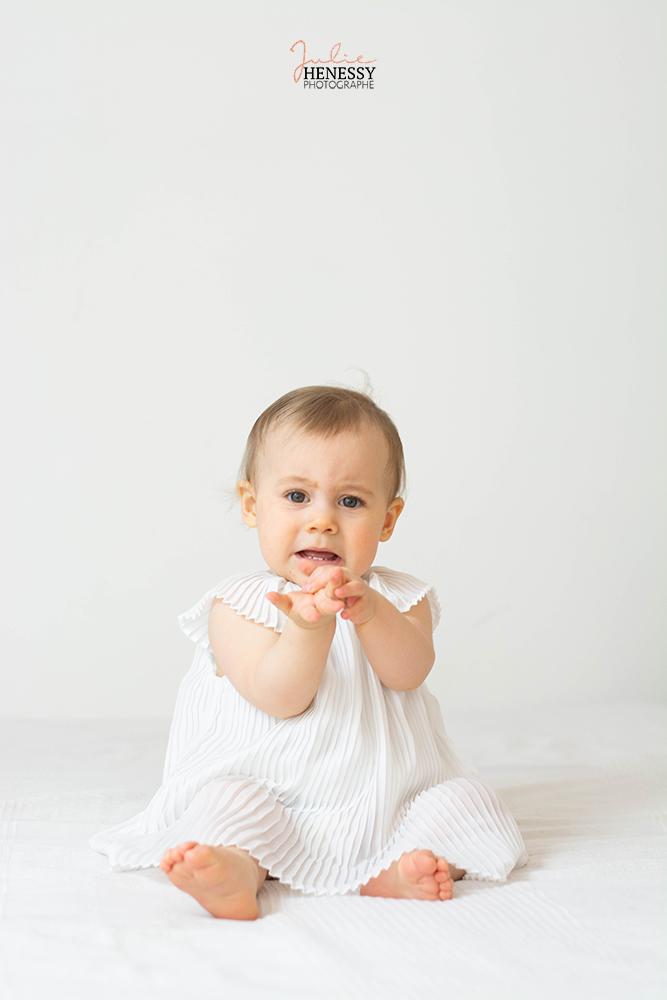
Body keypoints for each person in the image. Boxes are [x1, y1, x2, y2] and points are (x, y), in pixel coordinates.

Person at [89, 383, 528, 920]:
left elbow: (408, 671)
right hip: (273, 796)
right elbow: (281, 696)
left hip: (388, 802)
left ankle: (400, 865)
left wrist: (369, 614)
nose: (322, 519)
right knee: (227, 805)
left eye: (350, 501)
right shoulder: (238, 606)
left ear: (387, 520)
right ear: (253, 505)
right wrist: (306, 630)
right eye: (297, 496)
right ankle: (237, 869)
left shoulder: (399, 598)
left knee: (465, 804)